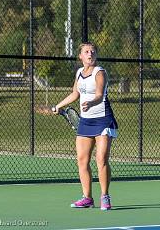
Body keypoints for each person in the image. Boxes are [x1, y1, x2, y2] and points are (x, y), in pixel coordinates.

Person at [54, 42, 118, 211]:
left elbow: (99, 94)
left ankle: (105, 196)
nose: (90, 53)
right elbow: (75, 93)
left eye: (92, 51)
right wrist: (59, 105)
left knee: (101, 159)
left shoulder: (100, 72)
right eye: (86, 51)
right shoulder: (79, 73)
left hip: (103, 119)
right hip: (85, 121)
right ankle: (87, 198)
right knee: (82, 160)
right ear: (80, 56)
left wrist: (90, 103)